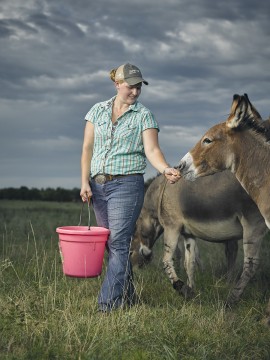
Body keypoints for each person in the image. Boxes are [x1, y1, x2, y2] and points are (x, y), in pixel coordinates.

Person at [80, 63, 180, 312]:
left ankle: (107, 306)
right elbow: (87, 149)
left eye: (138, 87)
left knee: (119, 243)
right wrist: (84, 181)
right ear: (117, 84)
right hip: (98, 185)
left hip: (127, 185)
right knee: (111, 244)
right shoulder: (97, 111)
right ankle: (129, 296)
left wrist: (164, 168)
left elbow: (152, 150)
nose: (135, 92)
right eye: (130, 87)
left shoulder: (144, 115)